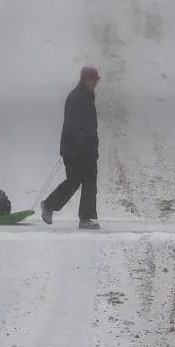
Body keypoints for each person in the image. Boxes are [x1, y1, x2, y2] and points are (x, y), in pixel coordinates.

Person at [41, 65, 101, 229]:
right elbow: (73, 126)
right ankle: (48, 205)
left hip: (87, 149)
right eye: (92, 80)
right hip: (75, 149)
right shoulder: (77, 97)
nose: (95, 83)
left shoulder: (87, 96)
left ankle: (86, 218)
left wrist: (92, 146)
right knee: (73, 182)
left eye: (96, 80)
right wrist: (78, 147)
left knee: (90, 183)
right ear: (84, 79)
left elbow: (90, 127)